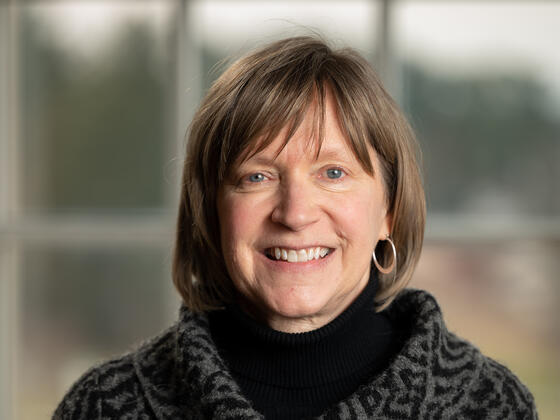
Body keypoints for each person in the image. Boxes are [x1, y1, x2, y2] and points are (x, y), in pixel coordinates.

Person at [53, 36, 537, 419]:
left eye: (333, 173)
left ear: (388, 209)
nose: (295, 213)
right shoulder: (103, 407)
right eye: (257, 176)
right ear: (210, 211)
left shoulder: (489, 404)